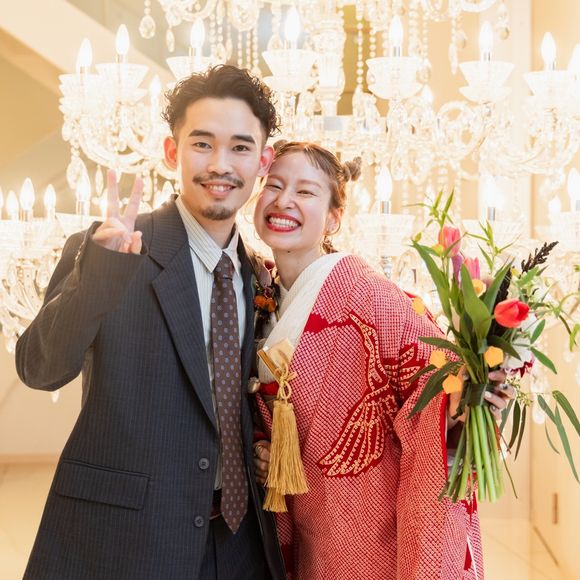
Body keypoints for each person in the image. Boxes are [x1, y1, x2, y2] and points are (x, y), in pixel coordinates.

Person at [15, 65, 286, 580]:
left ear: (262, 162)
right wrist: (100, 274)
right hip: (128, 543)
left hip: (240, 546)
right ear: (171, 152)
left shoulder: (258, 275)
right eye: (202, 144)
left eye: (240, 147)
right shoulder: (114, 247)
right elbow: (40, 369)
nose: (220, 164)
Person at [251, 141, 513, 579]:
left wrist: (463, 403)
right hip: (302, 526)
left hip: (371, 525)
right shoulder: (255, 294)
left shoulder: (373, 296)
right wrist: (262, 445)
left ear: (334, 218)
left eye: (305, 191)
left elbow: (432, 388)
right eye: (273, 186)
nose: (284, 201)